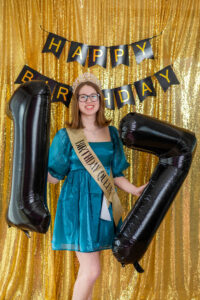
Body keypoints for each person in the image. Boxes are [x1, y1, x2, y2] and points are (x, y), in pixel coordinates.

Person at [47, 73, 147, 300]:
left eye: (93, 96)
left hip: (104, 204)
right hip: (78, 205)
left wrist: (134, 189)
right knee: (92, 271)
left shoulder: (111, 133)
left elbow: (116, 173)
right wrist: (30, 173)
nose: (89, 101)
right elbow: (54, 176)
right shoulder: (65, 136)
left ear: (100, 101)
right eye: (83, 97)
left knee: (88, 270)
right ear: (76, 102)